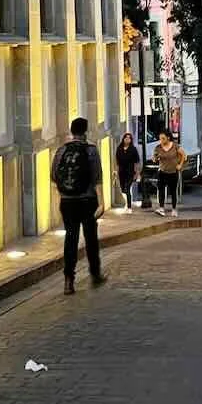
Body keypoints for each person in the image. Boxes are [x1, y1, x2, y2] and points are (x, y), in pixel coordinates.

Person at [52, 117, 105, 294]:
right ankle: (95, 274)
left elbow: (54, 175)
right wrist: (101, 201)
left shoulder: (62, 150)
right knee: (90, 238)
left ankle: (68, 280)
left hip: (67, 201)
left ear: (72, 130)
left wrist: (66, 191)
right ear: (85, 131)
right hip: (87, 200)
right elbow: (97, 177)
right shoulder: (91, 150)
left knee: (71, 238)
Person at [152, 130, 186, 217]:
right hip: (162, 171)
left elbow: (184, 155)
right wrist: (155, 158)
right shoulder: (158, 147)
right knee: (161, 190)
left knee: (173, 191)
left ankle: (174, 209)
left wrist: (180, 165)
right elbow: (154, 158)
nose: (161, 140)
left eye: (163, 138)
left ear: (168, 138)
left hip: (173, 172)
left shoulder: (175, 146)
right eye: (160, 139)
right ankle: (161, 208)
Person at [115, 132, 141, 213]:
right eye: (126, 138)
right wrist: (116, 172)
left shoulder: (133, 149)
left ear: (131, 140)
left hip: (130, 172)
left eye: (129, 138)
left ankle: (129, 207)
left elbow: (137, 162)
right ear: (123, 139)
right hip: (121, 172)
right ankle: (127, 203)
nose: (127, 139)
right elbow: (117, 162)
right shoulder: (119, 149)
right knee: (123, 190)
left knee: (127, 188)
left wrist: (137, 173)